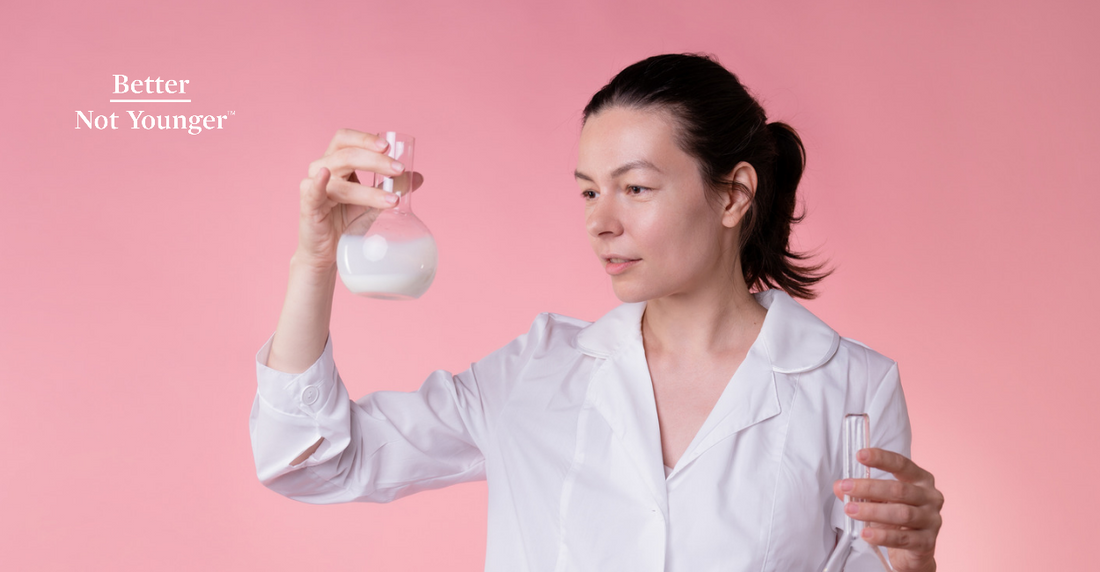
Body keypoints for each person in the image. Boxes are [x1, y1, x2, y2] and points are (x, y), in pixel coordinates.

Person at [249, 53, 944, 572]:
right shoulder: (533, 375)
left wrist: (913, 565)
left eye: (635, 187)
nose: (601, 222)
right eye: (588, 193)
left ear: (733, 196)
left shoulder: (851, 388)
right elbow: (311, 460)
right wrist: (315, 259)